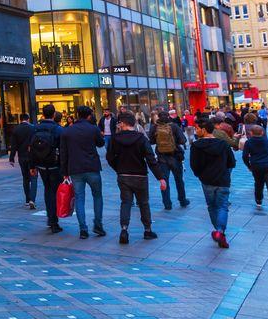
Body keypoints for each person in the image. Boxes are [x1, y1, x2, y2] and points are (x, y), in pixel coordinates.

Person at [107, 111, 167, 244]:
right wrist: (160, 178)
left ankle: (124, 229)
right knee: (144, 203)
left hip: (123, 176)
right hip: (140, 176)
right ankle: (147, 230)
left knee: (126, 202)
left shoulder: (115, 139)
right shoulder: (141, 139)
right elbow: (151, 160)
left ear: (122, 123)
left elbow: (109, 158)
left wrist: (118, 168)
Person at [60, 105, 106, 239]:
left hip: (75, 168)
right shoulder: (93, 129)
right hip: (92, 167)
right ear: (89, 116)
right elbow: (101, 143)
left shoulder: (68, 131)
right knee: (97, 196)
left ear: (77, 114)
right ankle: (98, 225)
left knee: (79, 198)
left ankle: (83, 229)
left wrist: (64, 171)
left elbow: (63, 153)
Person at [190, 120, 237, 249]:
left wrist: (201, 175)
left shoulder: (196, 146)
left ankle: (218, 231)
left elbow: (194, 165)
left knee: (212, 206)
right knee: (223, 206)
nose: (196, 130)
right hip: (222, 180)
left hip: (207, 181)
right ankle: (220, 232)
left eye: (197, 128)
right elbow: (231, 162)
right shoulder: (223, 144)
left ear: (204, 129)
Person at [29, 104, 64, 233]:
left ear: (42, 114)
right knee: (55, 192)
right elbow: (63, 150)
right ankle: (54, 220)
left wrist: (32, 166)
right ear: (54, 114)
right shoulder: (58, 129)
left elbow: (31, 149)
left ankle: (51, 218)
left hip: (41, 165)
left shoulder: (35, 129)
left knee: (47, 190)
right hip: (55, 165)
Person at [149, 111, 190, 209]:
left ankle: (167, 204)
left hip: (162, 158)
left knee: (164, 180)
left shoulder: (154, 127)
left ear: (158, 117)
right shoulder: (174, 126)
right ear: (168, 116)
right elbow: (183, 140)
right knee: (179, 180)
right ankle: (182, 200)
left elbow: (151, 141)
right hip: (175, 156)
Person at [242, 124, 268, 212]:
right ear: (262, 132)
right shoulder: (267, 141)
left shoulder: (248, 142)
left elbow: (244, 156)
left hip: (256, 166)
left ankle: (259, 200)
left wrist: (248, 166)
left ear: (251, 133)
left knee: (258, 183)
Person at [8, 113, 37, 209]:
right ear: (28, 119)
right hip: (32, 156)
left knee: (25, 178)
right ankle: (32, 199)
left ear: (20, 119)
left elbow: (13, 145)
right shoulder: (33, 128)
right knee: (33, 178)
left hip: (22, 157)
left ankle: (27, 200)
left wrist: (11, 158)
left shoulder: (16, 129)